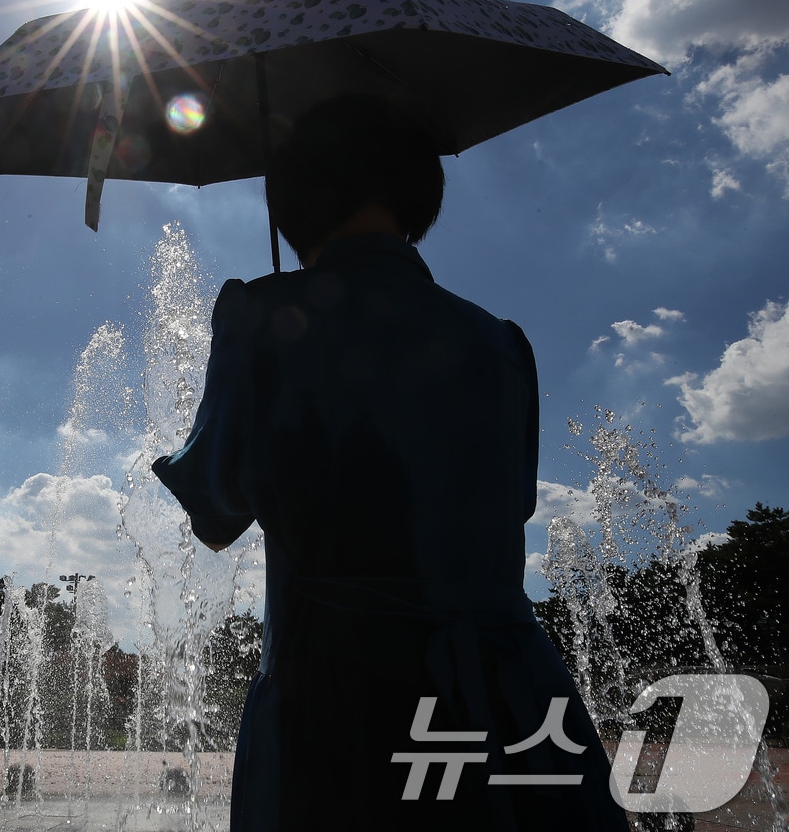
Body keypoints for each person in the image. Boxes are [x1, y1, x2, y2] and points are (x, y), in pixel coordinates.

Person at [152, 97, 629, 830]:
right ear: (420, 196)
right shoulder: (504, 344)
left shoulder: (259, 316)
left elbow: (215, 510)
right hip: (513, 696)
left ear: (292, 201)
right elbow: (507, 509)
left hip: (338, 702)